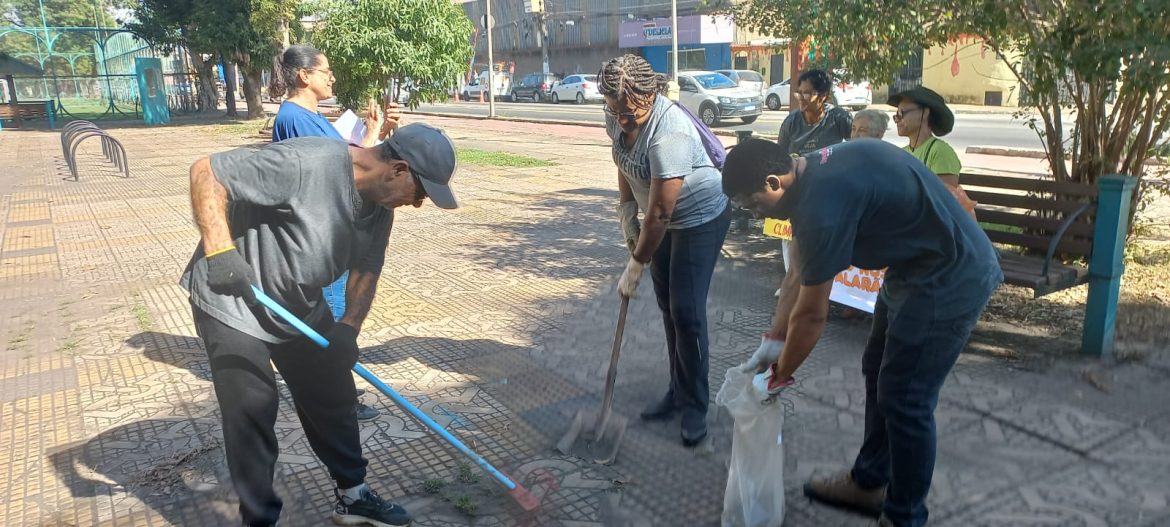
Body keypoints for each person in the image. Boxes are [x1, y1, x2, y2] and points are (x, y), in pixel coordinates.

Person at [181, 123, 460, 527]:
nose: (417, 205)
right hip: (235, 300)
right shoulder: (306, 162)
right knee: (253, 411)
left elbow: (367, 267)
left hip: (298, 304)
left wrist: (348, 327)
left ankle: (353, 496)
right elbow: (206, 171)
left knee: (334, 394)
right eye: (420, 194)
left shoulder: (380, 208)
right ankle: (259, 519)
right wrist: (220, 251)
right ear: (398, 170)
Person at [723, 138, 1002, 527]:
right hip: (913, 264)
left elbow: (812, 316)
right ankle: (870, 482)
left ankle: (904, 515)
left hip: (951, 273)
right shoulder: (809, 175)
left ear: (774, 182)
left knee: (907, 397)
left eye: (752, 205)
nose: (753, 215)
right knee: (878, 369)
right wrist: (772, 343)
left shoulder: (820, 208)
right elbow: (796, 276)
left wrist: (779, 378)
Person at [600, 54, 731, 447]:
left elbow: (659, 212)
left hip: (699, 218)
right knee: (667, 306)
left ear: (652, 95)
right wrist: (626, 214)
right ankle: (677, 389)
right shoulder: (616, 112)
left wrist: (636, 263)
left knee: (687, 312)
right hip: (661, 221)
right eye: (614, 111)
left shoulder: (668, 132)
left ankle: (695, 404)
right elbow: (624, 165)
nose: (621, 120)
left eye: (629, 114)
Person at [271, 43, 404, 421]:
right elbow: (338, 172)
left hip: (333, 229)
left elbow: (352, 160)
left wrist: (380, 130)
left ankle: (336, 390)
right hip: (320, 234)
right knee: (331, 322)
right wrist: (377, 136)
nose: (331, 77)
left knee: (336, 318)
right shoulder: (294, 118)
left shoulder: (311, 116)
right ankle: (337, 397)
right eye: (324, 70)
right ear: (303, 75)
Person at [890, 86, 978, 219]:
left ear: (924, 113)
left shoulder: (940, 152)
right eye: (896, 115)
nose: (897, 120)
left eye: (902, 113)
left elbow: (944, 204)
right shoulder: (902, 153)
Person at [776, 69, 853, 157]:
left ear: (823, 96)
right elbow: (780, 157)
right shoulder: (791, 122)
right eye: (799, 93)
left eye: (806, 93)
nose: (801, 98)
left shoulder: (839, 118)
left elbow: (858, 148)